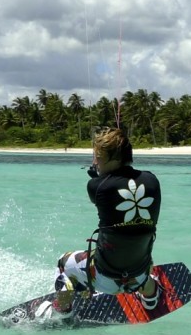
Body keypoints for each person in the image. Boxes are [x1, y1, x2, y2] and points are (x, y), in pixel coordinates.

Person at [36, 126, 162, 321]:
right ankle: (150, 296)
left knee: (63, 262)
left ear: (109, 157)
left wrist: (98, 176)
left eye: (97, 156)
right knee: (139, 248)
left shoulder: (96, 186)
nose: (94, 161)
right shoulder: (153, 180)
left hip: (104, 278)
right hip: (139, 273)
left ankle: (62, 310)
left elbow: (104, 191)